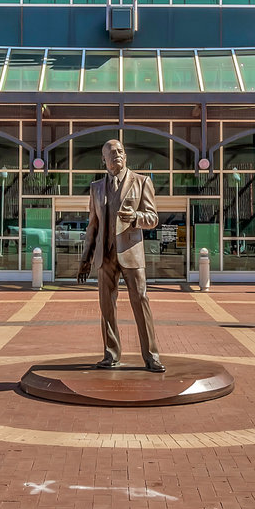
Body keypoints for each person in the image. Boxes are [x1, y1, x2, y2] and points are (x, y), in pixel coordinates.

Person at [77, 138, 164, 372]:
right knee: (106, 307)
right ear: (103, 159)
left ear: (125, 156)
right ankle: (111, 354)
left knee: (141, 301)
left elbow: (153, 218)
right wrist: (86, 259)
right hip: (104, 256)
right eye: (112, 152)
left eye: (120, 151)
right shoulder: (96, 187)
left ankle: (152, 356)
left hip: (130, 253)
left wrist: (136, 217)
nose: (117, 155)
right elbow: (92, 226)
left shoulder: (141, 181)